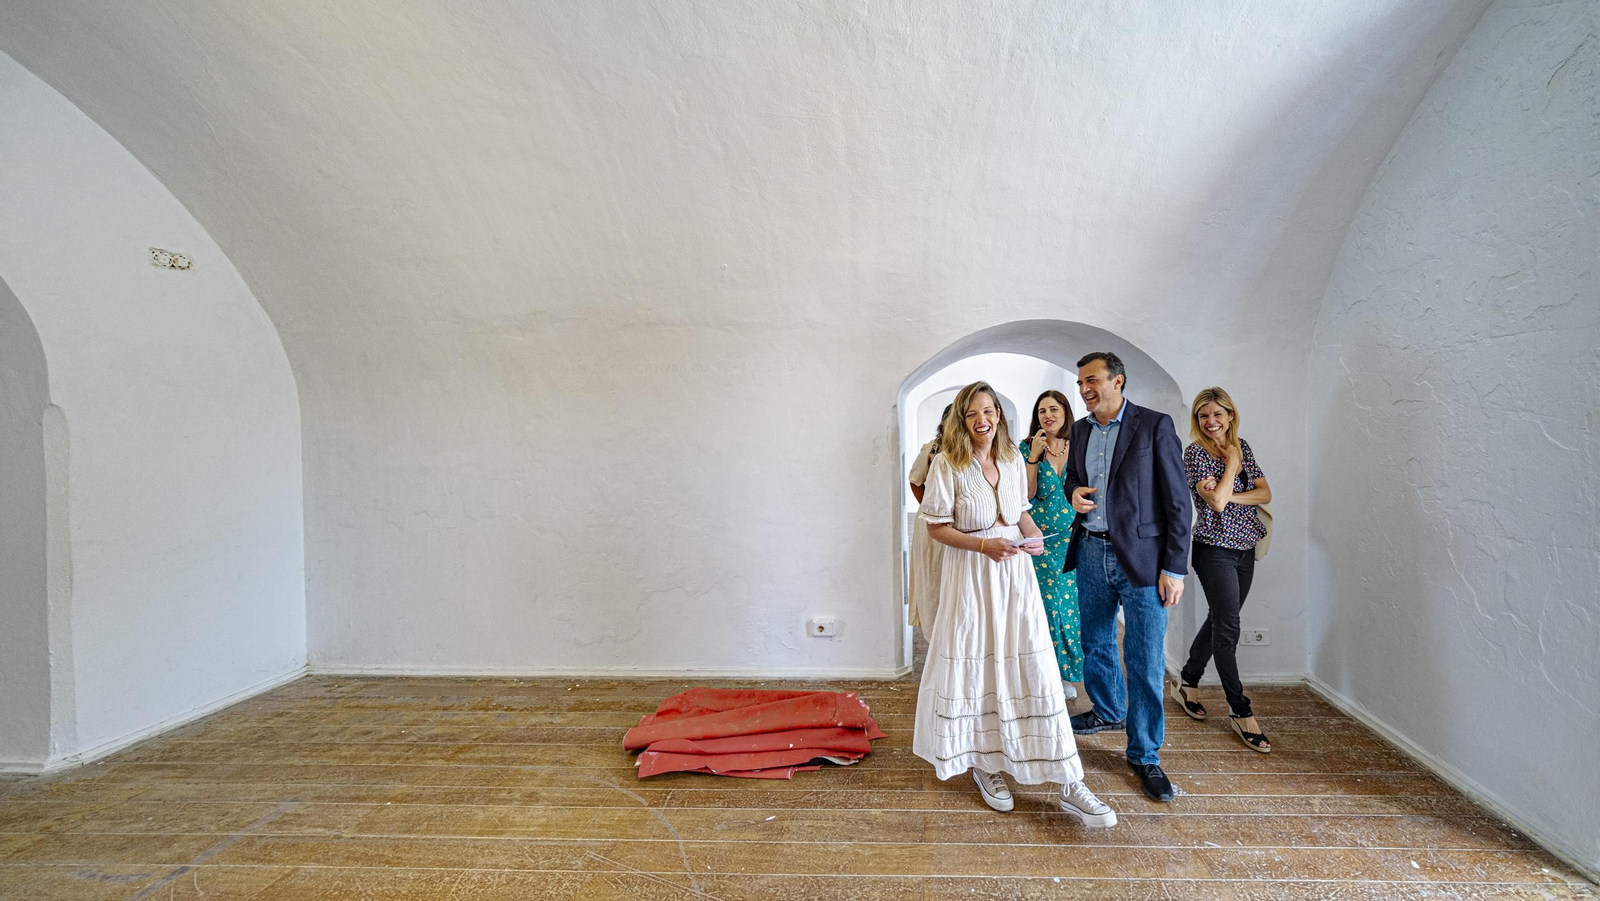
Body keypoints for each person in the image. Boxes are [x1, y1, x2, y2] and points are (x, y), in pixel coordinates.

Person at [916, 381, 1116, 828]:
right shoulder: (948, 464)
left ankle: (1069, 780)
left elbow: (1020, 511)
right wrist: (984, 545)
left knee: (1035, 669)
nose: (982, 420)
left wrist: (1035, 537)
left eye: (988, 411)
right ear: (961, 421)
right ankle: (986, 764)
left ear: (1000, 415)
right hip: (972, 574)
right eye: (972, 414)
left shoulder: (1011, 457)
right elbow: (936, 528)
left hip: (1016, 576)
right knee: (979, 666)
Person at [1061, 352, 1193, 803]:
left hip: (1143, 559)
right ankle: (1107, 710)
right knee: (1095, 641)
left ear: (1118, 381)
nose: (1084, 389)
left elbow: (1179, 502)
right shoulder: (1079, 430)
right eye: (1080, 382)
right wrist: (1074, 492)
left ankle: (1144, 754)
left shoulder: (1154, 426)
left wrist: (1174, 567)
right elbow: (1073, 481)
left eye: (1092, 380)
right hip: (1092, 551)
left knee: (1144, 657)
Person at [1173, 387, 1273, 752]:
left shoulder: (1242, 445)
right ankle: (1240, 710)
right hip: (1214, 550)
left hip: (1245, 548)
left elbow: (1265, 493)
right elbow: (1214, 503)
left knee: (1220, 620)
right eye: (1203, 416)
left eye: (1217, 414)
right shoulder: (1195, 454)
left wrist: (1229, 490)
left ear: (1230, 415)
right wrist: (1231, 465)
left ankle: (1187, 682)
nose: (1211, 422)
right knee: (1228, 628)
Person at [1019, 391, 1082, 699]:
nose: (1048, 415)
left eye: (1054, 409)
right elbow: (1026, 496)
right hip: (1039, 542)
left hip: (1075, 539)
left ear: (1065, 412)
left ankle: (1062, 673)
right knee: (1043, 606)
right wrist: (1033, 457)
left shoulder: (1080, 446)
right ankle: (1040, 672)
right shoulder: (1026, 448)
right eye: (1042, 410)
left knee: (1069, 607)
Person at [907, 405, 952, 634]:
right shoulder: (932, 449)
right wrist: (930, 507)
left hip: (961, 526)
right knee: (934, 577)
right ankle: (934, 632)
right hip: (933, 525)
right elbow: (915, 481)